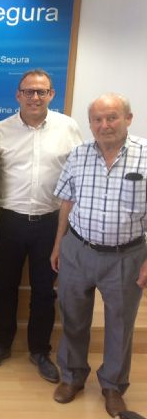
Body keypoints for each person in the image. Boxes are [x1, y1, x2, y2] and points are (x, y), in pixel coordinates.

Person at [0, 69, 82, 382]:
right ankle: (1, 344)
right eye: (28, 91)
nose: (35, 97)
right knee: (5, 286)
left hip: (50, 223)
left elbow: (78, 176)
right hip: (9, 220)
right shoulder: (0, 131)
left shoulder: (68, 128)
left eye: (41, 91)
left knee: (44, 290)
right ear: (18, 95)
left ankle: (40, 351)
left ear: (52, 94)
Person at [50, 93, 147, 417]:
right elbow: (67, 202)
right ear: (90, 123)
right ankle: (72, 377)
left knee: (120, 324)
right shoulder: (78, 155)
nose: (104, 125)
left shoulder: (145, 155)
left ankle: (113, 387)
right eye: (97, 119)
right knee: (73, 317)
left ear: (128, 119)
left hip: (126, 255)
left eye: (112, 117)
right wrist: (59, 244)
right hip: (77, 249)